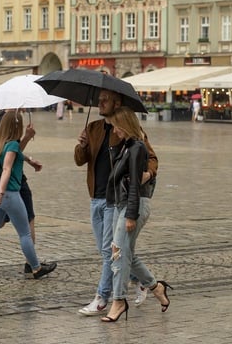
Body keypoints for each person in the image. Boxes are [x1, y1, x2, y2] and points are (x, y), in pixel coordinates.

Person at [74, 89, 158, 316]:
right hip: (96, 198)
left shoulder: (128, 131)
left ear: (117, 102)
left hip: (116, 199)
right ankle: (141, 280)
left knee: (109, 251)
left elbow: (151, 157)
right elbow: (80, 161)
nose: (99, 103)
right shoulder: (93, 128)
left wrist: (147, 175)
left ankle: (102, 298)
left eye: (104, 100)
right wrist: (81, 145)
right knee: (114, 251)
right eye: (98, 100)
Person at [0, 111, 57, 280]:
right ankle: (36, 268)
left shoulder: (2, 144)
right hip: (8, 194)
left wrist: (29, 160)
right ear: (16, 126)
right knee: (25, 233)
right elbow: (7, 168)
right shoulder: (13, 144)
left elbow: (15, 155)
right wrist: (1, 192)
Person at [100, 106, 172, 323]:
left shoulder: (137, 147)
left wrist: (130, 214)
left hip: (134, 205)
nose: (114, 131)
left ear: (124, 125)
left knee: (119, 253)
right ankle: (156, 287)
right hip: (122, 205)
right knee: (127, 254)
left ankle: (119, 300)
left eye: (116, 127)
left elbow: (134, 185)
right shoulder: (126, 147)